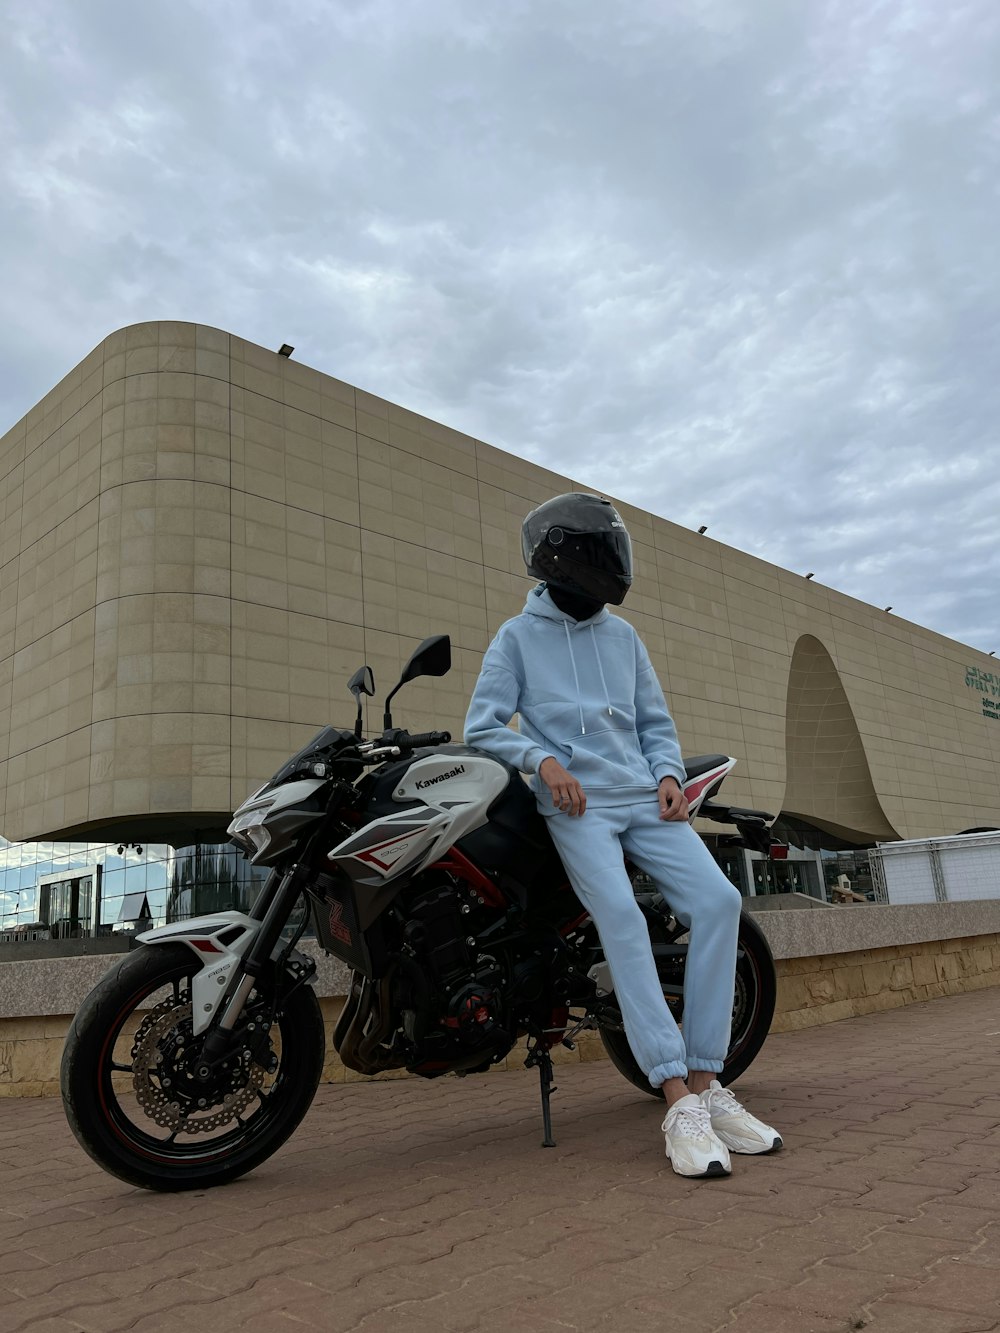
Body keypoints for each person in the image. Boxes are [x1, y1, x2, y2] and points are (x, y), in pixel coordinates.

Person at [464, 492, 782, 1178]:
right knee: (623, 919)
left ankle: (706, 1083)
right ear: (567, 560)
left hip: (645, 797)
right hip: (577, 808)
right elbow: (483, 726)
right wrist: (542, 761)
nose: (616, 567)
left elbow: (653, 722)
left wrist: (667, 771)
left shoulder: (623, 636)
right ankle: (674, 1095)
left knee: (720, 902)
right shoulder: (516, 637)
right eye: (604, 554)